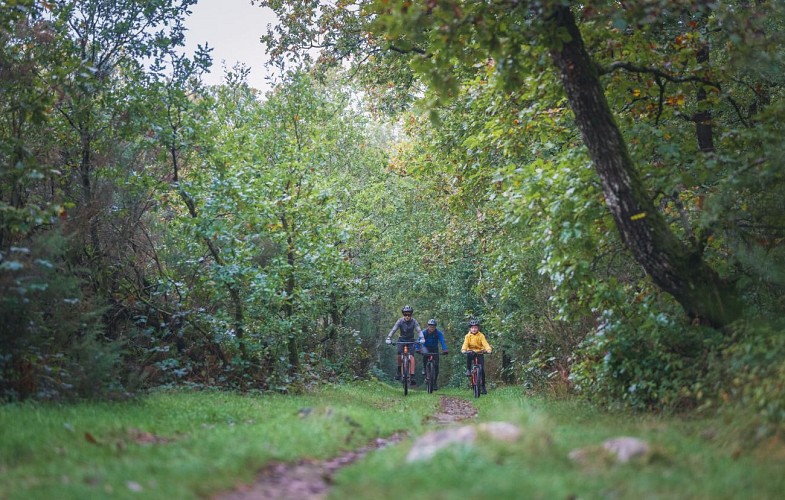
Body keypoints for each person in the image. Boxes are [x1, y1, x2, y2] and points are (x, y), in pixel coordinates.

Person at [385, 305, 425, 384]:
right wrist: (389, 337)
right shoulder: (400, 321)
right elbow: (394, 329)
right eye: (405, 314)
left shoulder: (414, 321)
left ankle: (412, 376)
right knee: (399, 354)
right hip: (402, 340)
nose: (407, 316)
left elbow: (419, 330)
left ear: (411, 315)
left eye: (409, 314)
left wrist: (422, 338)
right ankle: (399, 371)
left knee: (412, 356)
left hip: (411, 340)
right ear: (403, 314)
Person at [461, 318, 492, 394]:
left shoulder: (481, 335)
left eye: (475, 327)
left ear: (478, 328)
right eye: (472, 328)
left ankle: (483, 387)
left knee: (482, 370)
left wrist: (488, 349)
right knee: (469, 355)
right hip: (471, 352)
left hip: (479, 352)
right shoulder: (467, 336)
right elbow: (465, 343)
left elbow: (485, 343)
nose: (474, 329)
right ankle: (468, 370)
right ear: (470, 329)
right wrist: (464, 349)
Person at [420, 319, 448, 390]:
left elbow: (442, 341)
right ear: (428, 326)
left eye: (433, 327)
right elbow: (419, 340)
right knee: (425, 355)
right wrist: (417, 348)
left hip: (434, 348)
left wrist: (445, 349)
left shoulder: (438, 333)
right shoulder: (424, 332)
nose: (431, 328)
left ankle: (434, 382)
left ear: (435, 327)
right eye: (430, 326)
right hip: (425, 347)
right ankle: (424, 368)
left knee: (436, 365)